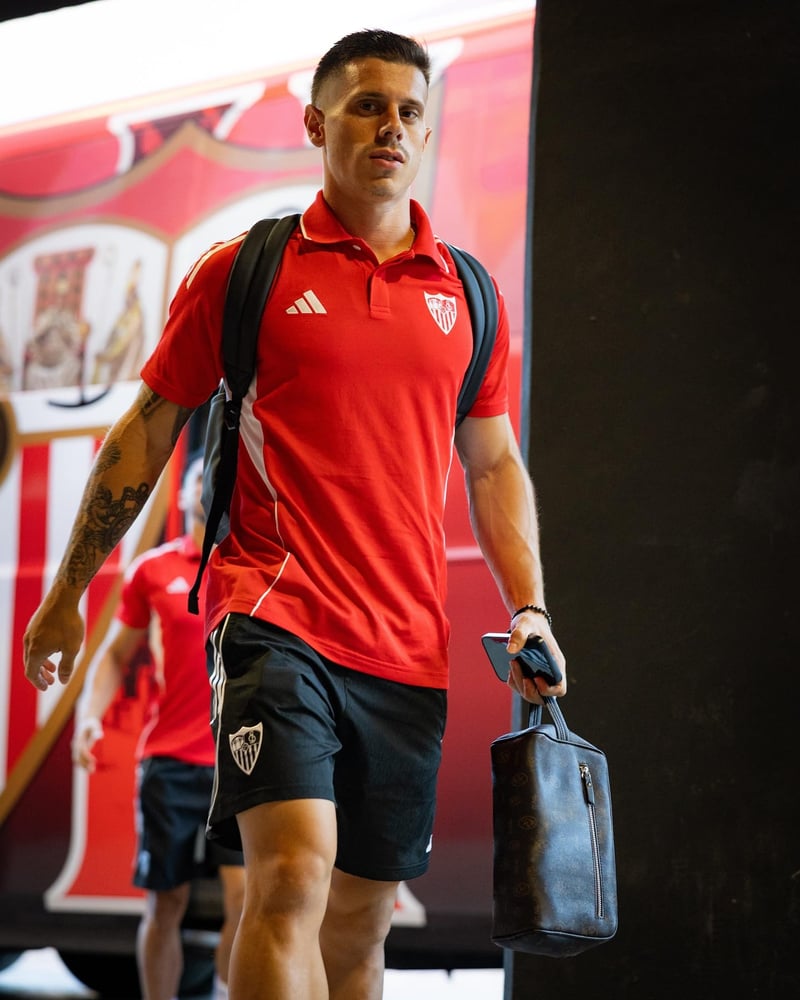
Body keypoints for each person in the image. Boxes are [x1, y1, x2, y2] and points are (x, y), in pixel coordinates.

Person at [23, 28, 567, 1000]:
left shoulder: (468, 293)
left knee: (360, 928)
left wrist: (530, 607)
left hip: (406, 649)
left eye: (407, 110)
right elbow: (143, 435)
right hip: (275, 618)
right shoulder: (246, 270)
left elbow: (493, 466)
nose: (389, 125)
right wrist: (66, 594)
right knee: (289, 878)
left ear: (426, 130)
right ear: (317, 124)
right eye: (366, 105)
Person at [71, 456, 244, 1000]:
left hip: (240, 761)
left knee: (247, 901)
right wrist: (90, 718)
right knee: (166, 901)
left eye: (217, 477)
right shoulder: (153, 570)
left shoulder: (252, 565)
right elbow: (114, 654)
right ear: (185, 494)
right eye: (199, 478)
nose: (207, 484)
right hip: (170, 762)